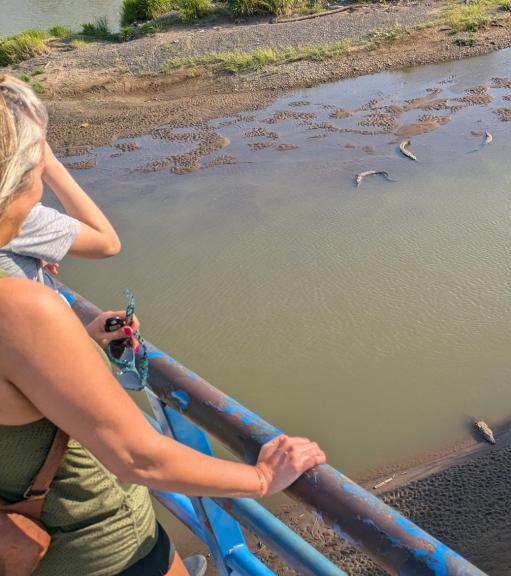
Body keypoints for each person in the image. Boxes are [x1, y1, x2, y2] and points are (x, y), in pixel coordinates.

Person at [0, 74, 327, 576]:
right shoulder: (21, 309)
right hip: (98, 550)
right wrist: (261, 478)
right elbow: (138, 457)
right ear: (22, 172)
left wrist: (76, 341)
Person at [0, 136, 121, 288]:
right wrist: (50, 164)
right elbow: (108, 244)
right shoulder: (17, 216)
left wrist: (30, 256)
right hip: (42, 309)